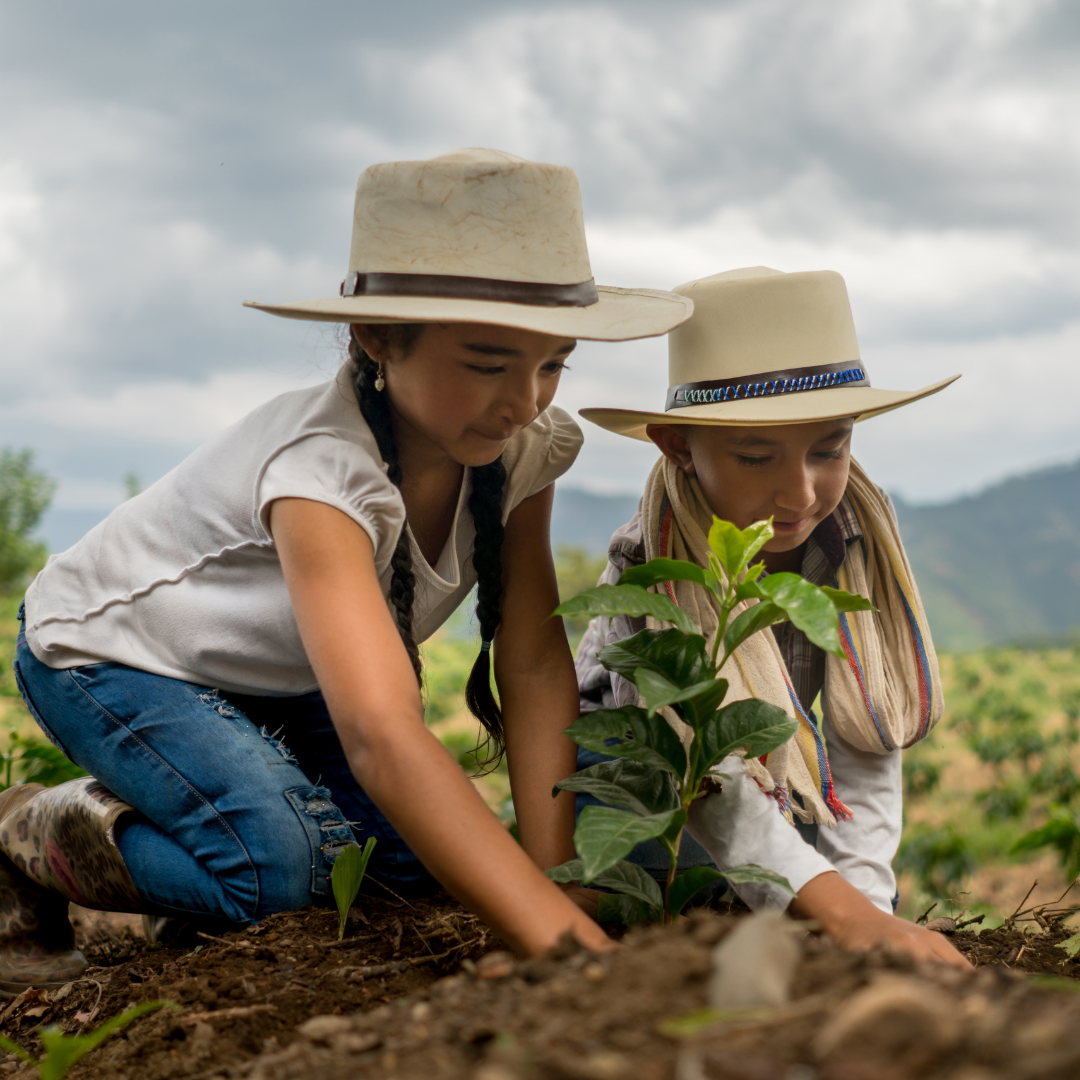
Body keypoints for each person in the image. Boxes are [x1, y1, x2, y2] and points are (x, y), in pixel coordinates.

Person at [0, 148, 694, 995]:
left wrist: (559, 887)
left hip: (281, 678)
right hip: (114, 655)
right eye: (488, 363)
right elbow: (379, 733)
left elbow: (534, 661)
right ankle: (28, 832)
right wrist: (566, 952)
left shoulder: (524, 450)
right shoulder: (320, 471)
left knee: (411, 871)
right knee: (283, 870)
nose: (524, 402)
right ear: (377, 336)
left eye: (553, 363)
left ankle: (201, 861)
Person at [574, 265, 969, 968]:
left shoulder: (855, 540)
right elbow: (708, 779)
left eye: (830, 449)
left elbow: (867, 733)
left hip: (768, 786)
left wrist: (867, 914)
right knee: (683, 864)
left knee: (819, 861)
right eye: (757, 457)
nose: (801, 493)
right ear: (677, 447)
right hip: (647, 786)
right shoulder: (652, 563)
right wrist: (839, 913)